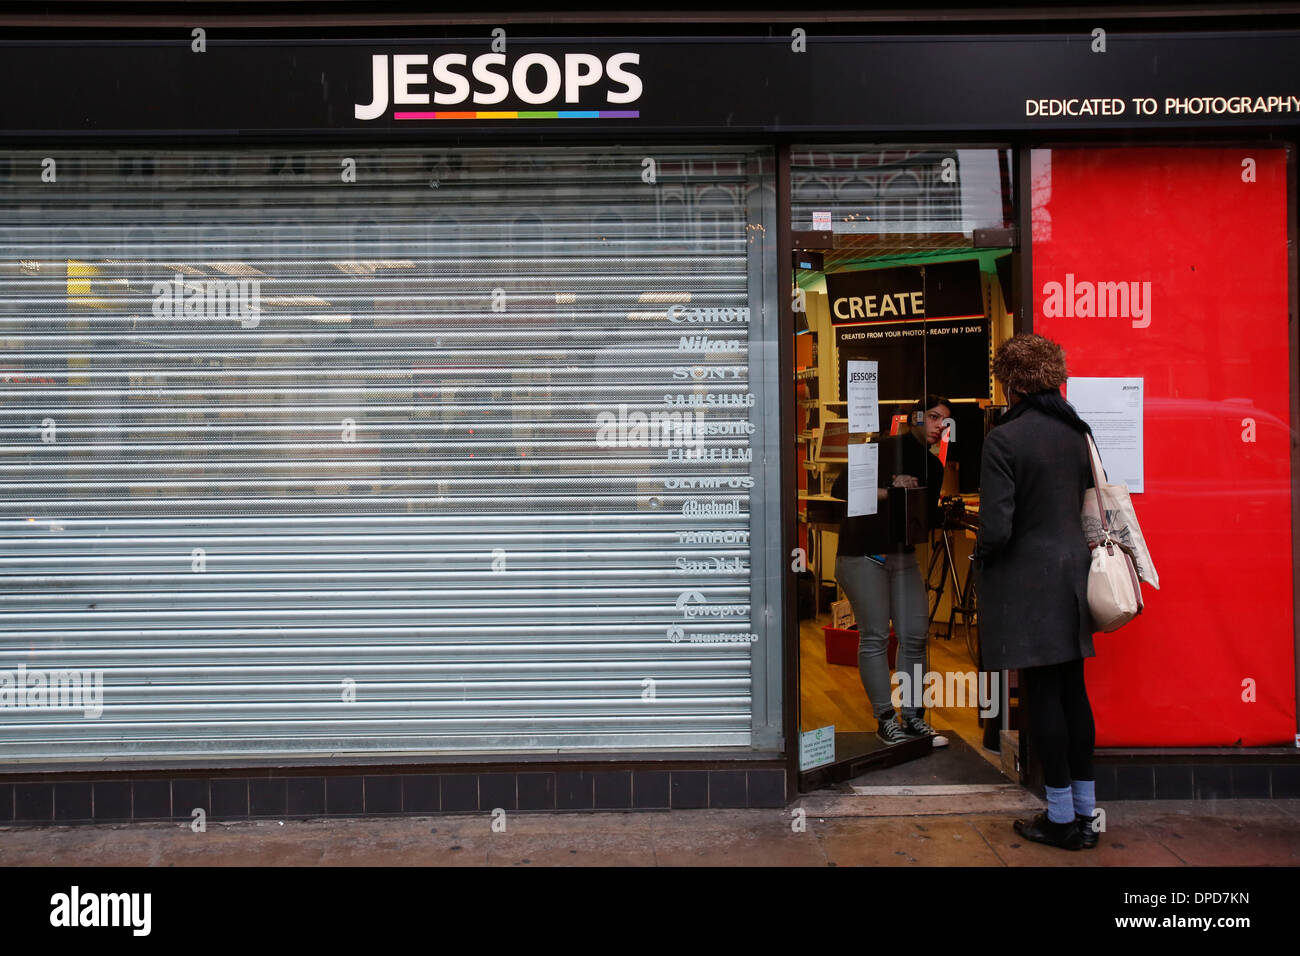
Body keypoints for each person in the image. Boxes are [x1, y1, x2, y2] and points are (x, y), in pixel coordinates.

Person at [973, 334, 1099, 851]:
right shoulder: (1075, 432)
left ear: (1012, 382)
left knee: (1042, 696)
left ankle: (1061, 817)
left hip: (1029, 583)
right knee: (1074, 694)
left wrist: (982, 556)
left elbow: (998, 528)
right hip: (1074, 577)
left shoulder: (1005, 439)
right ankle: (1087, 814)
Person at [831, 395, 951, 747]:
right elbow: (841, 489)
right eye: (932, 417)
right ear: (914, 417)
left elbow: (923, 516)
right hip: (862, 553)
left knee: (915, 635)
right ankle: (886, 719)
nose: (938, 426)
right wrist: (891, 492)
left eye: (944, 421)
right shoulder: (880, 447)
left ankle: (913, 717)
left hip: (902, 555)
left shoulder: (935, 467)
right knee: (875, 636)